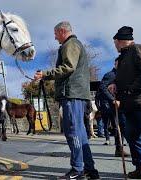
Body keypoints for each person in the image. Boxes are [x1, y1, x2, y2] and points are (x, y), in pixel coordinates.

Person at [34, 21, 99, 179]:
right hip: (76, 94)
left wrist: (45, 75)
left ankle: (77, 169)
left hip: (72, 94)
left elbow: (68, 67)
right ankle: (90, 170)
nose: (55, 37)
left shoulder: (70, 44)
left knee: (73, 132)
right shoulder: (73, 44)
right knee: (81, 134)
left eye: (56, 34)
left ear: (62, 31)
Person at [111, 26, 141, 179]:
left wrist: (130, 90)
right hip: (130, 106)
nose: (115, 47)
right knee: (133, 137)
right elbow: (125, 76)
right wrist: (114, 83)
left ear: (121, 41)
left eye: (115, 44)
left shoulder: (137, 50)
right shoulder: (122, 58)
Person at [95, 59, 128, 157]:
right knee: (120, 127)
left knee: (122, 127)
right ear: (116, 63)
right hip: (115, 106)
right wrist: (112, 99)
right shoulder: (111, 74)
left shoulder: (123, 74)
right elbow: (102, 87)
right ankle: (119, 148)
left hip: (124, 105)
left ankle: (120, 148)